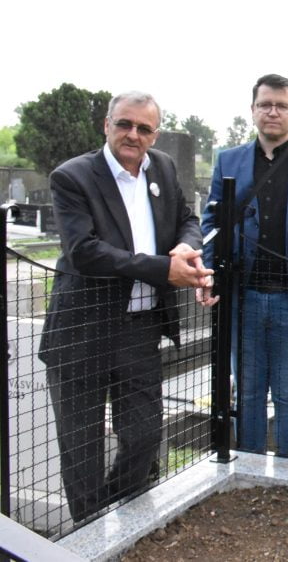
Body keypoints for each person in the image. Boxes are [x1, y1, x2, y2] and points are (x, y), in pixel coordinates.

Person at [39, 91, 211, 522]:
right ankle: (89, 532)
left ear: (154, 135)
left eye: (144, 128)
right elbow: (84, 252)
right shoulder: (73, 177)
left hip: (139, 328)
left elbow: (188, 218)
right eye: (124, 124)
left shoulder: (163, 168)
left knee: (143, 436)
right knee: (81, 446)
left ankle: (124, 521)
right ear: (107, 124)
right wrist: (161, 269)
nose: (133, 135)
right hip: (83, 329)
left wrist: (185, 248)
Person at [201, 73, 288, 458]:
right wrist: (210, 274)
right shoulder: (228, 160)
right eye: (265, 105)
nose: (272, 112)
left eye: (281, 105)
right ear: (253, 110)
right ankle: (248, 470)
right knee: (247, 391)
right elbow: (211, 222)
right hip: (242, 296)